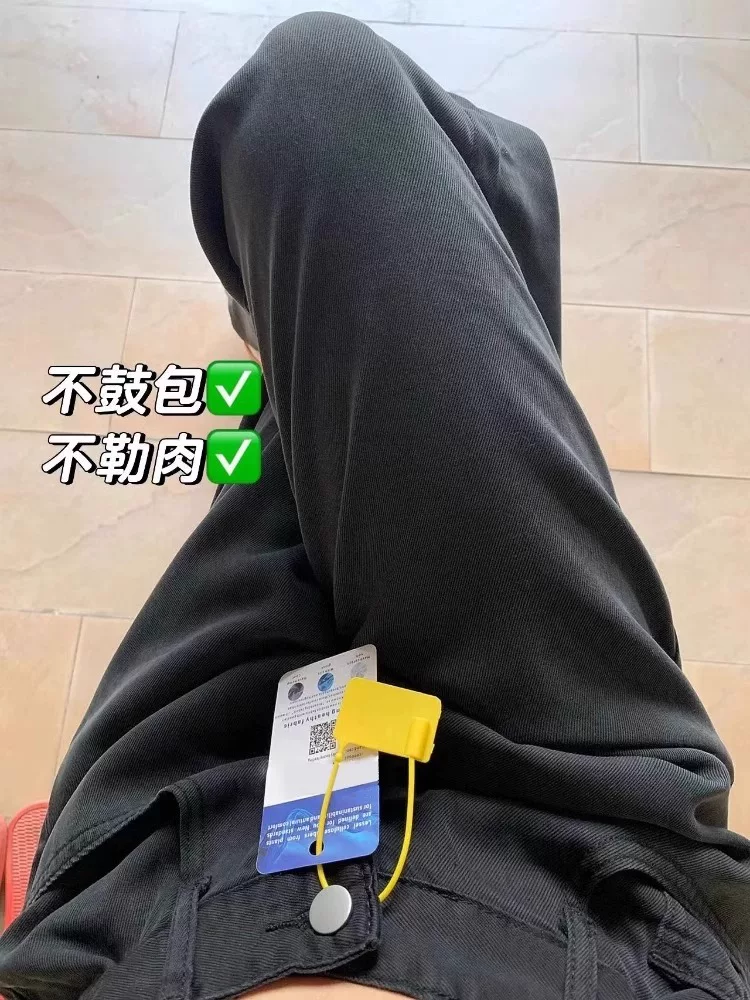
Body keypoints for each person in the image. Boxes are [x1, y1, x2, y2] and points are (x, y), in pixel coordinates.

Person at [1, 13, 749, 1000]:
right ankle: (444, 268)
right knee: (332, 94)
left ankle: (326, 333)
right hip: (579, 841)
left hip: (161, 866)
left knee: (312, 99)